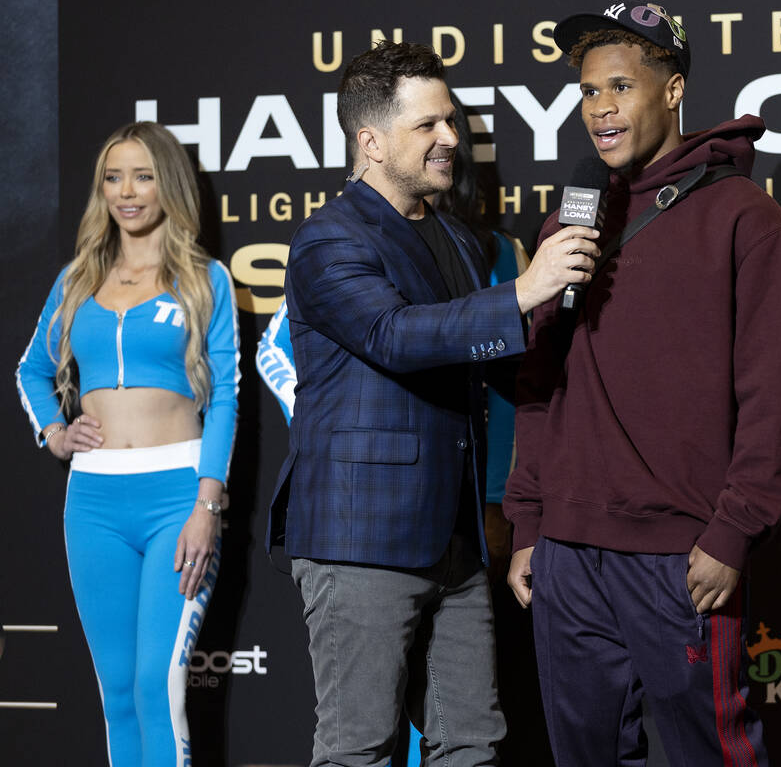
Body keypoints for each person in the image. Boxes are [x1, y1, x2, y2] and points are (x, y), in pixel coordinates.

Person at [265, 40, 599, 767]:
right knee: (360, 748)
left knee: (473, 744)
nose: (453, 138)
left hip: (454, 539)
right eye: (429, 126)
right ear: (371, 141)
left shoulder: (452, 236)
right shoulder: (328, 239)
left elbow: (489, 357)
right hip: (360, 537)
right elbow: (392, 335)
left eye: (451, 121)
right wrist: (520, 293)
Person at [503, 1, 781, 766]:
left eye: (619, 87)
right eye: (586, 93)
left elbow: (774, 396)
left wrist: (733, 531)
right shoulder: (566, 222)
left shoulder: (747, 220)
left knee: (711, 755)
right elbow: (541, 385)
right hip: (568, 554)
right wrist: (529, 523)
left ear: (672, 90)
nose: (600, 110)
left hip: (680, 555)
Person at [15, 121, 240, 767]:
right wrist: (55, 433)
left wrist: (207, 504)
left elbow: (225, 396)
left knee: (155, 683)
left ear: (167, 182)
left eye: (142, 175)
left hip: (177, 497)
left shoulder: (205, 279)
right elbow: (30, 369)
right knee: (116, 692)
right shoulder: (77, 280)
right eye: (113, 177)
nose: (127, 192)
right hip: (92, 503)